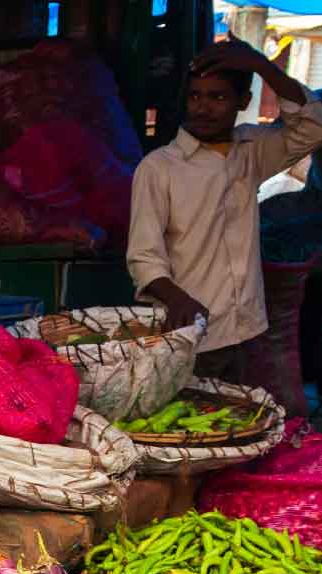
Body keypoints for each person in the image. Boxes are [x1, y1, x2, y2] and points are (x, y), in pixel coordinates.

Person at [126, 39, 322, 405]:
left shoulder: (252, 151)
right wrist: (180, 299)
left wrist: (265, 67)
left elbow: (313, 127)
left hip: (248, 329)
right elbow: (143, 257)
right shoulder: (159, 168)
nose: (203, 108)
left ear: (243, 102)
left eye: (218, 98)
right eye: (195, 97)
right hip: (189, 336)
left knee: (240, 433)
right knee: (194, 436)